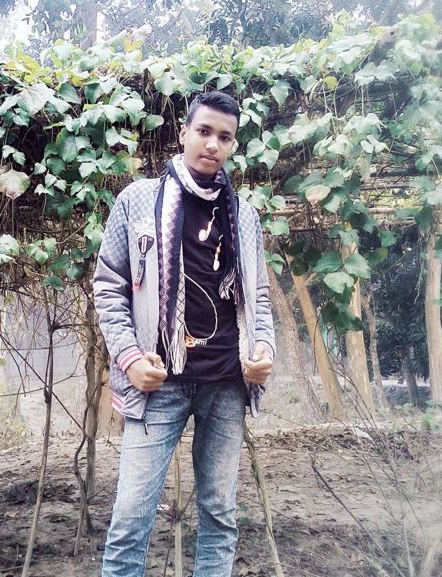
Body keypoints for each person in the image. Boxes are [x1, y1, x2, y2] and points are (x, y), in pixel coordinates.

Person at [93, 90, 275, 577]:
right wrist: (130, 358)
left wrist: (262, 348)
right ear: (183, 133)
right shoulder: (137, 200)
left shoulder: (244, 217)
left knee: (219, 515)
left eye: (225, 137)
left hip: (226, 383)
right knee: (130, 518)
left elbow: (257, 297)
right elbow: (108, 287)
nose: (213, 144)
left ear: (233, 145)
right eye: (204, 131)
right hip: (158, 383)